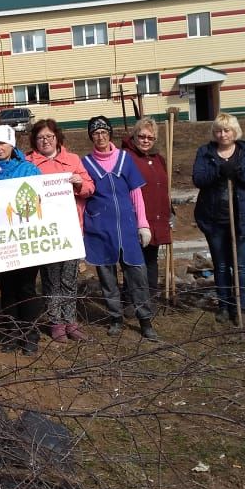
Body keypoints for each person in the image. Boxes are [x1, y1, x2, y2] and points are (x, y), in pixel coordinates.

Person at [81, 116, 156, 339]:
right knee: (107, 277)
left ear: (110, 134)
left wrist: (143, 223)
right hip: (100, 227)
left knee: (137, 274)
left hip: (127, 226)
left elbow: (136, 193)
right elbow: (82, 194)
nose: (100, 136)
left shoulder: (124, 159)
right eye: (95, 133)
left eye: (104, 132)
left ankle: (145, 320)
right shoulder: (86, 163)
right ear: (91, 137)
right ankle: (115, 317)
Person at [26, 119, 95, 343]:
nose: (45, 141)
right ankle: (56, 322)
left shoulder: (73, 160)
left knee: (69, 277)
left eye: (49, 136)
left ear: (57, 138)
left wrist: (78, 184)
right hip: (46, 231)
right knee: (50, 279)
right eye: (40, 137)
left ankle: (71, 321)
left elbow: (89, 187)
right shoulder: (29, 163)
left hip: (71, 229)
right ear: (34, 141)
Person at [192, 113, 245, 324]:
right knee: (221, 265)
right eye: (219, 130)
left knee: (240, 265)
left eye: (227, 130)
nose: (223, 134)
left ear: (235, 132)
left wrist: (238, 171)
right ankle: (224, 305)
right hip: (214, 219)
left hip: (241, 218)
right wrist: (219, 172)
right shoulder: (205, 152)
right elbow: (198, 179)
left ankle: (240, 306)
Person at [0, 124, 43, 355]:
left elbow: (41, 197)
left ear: (12, 144)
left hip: (25, 240)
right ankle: (12, 332)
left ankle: (30, 333)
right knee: (7, 288)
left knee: (27, 287)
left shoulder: (28, 169)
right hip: (1, 241)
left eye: (2, 143)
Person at [122, 117, 173, 307]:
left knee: (151, 261)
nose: (145, 141)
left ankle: (149, 300)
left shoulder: (158, 159)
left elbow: (163, 188)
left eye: (150, 138)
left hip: (157, 217)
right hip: (135, 218)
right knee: (134, 262)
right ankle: (129, 301)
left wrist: (170, 212)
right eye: (141, 136)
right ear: (134, 137)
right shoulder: (126, 157)